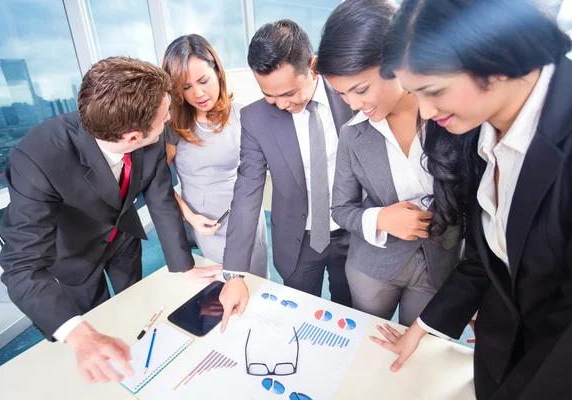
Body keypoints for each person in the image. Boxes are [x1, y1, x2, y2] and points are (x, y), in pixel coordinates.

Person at [370, 1, 572, 399]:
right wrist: (425, 326)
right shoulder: (474, 128)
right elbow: (487, 256)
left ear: (494, 57)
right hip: (500, 350)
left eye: (434, 91)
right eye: (415, 94)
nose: (425, 111)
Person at [0, 57, 197, 383]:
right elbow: (21, 268)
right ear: (133, 137)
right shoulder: (37, 157)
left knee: (136, 305)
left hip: (123, 239)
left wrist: (183, 267)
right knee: (94, 323)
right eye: (164, 119)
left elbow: (160, 199)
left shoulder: (149, 134)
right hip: (73, 256)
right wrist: (78, 334)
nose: (168, 123)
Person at [315, 0, 463, 327]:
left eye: (361, 89)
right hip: (373, 268)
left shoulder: (452, 117)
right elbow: (340, 208)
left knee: (418, 354)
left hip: (439, 263)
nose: (354, 104)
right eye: (341, 95)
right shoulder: (353, 135)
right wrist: (381, 218)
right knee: (367, 346)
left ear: (398, 61)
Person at [219, 20, 354, 330]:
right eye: (270, 96)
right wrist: (235, 274)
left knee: (351, 318)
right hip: (297, 241)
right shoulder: (255, 119)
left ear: (313, 66)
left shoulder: (349, 94)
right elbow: (247, 191)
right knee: (298, 322)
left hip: (353, 234)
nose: (282, 104)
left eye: (289, 92)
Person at [161, 34, 268, 280]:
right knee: (220, 287)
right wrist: (190, 216)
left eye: (203, 80)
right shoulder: (174, 127)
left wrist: (246, 198)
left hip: (247, 214)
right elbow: (157, 183)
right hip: (206, 222)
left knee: (258, 283)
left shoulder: (242, 114)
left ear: (218, 72)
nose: (198, 93)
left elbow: (261, 166)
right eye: (186, 87)